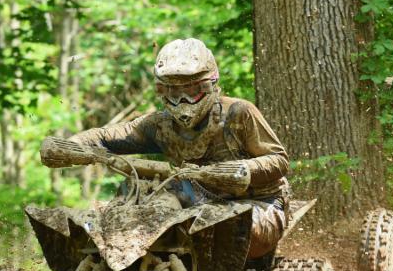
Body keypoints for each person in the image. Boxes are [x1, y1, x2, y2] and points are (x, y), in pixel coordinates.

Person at [67, 38, 289, 259]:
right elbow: (108, 136)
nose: (183, 98)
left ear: (210, 84)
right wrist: (71, 145)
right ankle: (109, 261)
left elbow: (278, 159)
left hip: (257, 203)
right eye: (173, 91)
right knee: (135, 195)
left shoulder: (238, 113)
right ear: (162, 91)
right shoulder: (160, 125)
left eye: (192, 89)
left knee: (225, 225)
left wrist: (241, 170)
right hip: (195, 203)